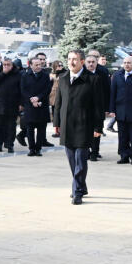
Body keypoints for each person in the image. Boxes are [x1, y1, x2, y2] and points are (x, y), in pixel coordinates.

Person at [53, 50, 104, 205]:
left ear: (82, 61)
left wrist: (98, 127)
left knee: (81, 160)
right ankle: (81, 185)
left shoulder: (93, 79)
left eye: (75, 59)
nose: (71, 62)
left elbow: (98, 106)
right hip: (67, 125)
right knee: (72, 160)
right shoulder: (63, 78)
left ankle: (77, 191)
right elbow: (58, 103)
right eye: (69, 59)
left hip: (84, 125)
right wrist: (56, 123)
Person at [19, 52, 52, 156]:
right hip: (30, 106)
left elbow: (47, 89)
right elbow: (23, 90)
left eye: (40, 64)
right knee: (30, 129)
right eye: (36, 65)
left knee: (41, 129)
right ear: (31, 65)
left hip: (42, 105)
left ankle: (38, 149)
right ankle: (31, 149)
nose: (39, 66)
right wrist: (31, 99)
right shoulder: (25, 75)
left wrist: (38, 98)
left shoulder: (45, 75)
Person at [0, 58, 21, 152]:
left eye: (8, 65)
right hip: (1, 104)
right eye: (4, 65)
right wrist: (3, 73)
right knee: (0, 126)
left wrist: (21, 103)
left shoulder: (17, 74)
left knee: (11, 126)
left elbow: (21, 89)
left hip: (13, 104)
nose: (6, 66)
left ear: (12, 66)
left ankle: (10, 144)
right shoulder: (0, 73)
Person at [84, 54, 110, 161]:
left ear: (96, 63)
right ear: (85, 63)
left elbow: (107, 91)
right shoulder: (81, 73)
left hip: (98, 107)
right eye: (88, 62)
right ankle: (86, 152)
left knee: (97, 130)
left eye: (93, 62)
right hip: (84, 108)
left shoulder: (102, 74)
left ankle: (95, 152)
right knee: (85, 131)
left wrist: (107, 108)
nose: (91, 64)